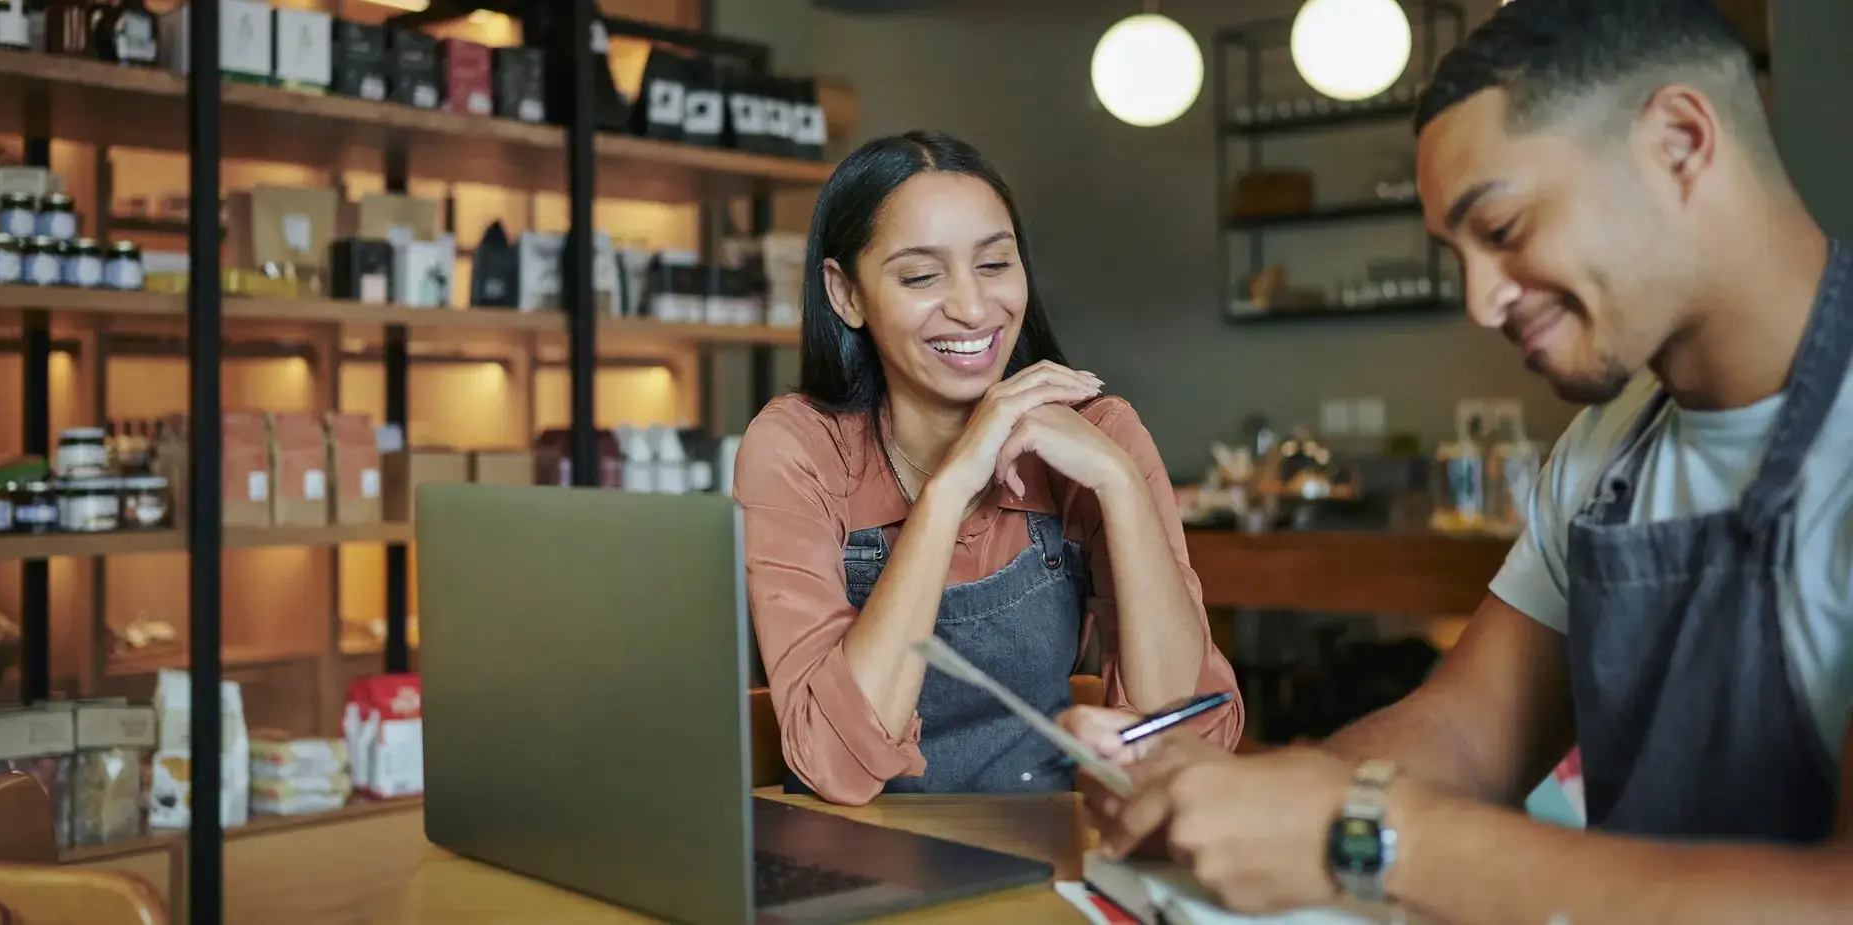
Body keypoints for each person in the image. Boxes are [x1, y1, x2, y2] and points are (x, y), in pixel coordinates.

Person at [1065, 0, 1853, 921]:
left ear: (1679, 141)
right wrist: (1227, 800)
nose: (1481, 302)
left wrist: (1360, 832)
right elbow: (1469, 736)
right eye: (1458, 255)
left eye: (1506, 228)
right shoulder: (1610, 444)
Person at [735, 130, 1242, 806]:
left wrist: (1119, 485)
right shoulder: (800, 449)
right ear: (845, 293)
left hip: (1048, 850)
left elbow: (1187, 744)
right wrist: (948, 491)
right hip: (856, 862)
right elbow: (834, 763)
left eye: (996, 265)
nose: (973, 308)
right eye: (921, 275)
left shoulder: (1101, 438)